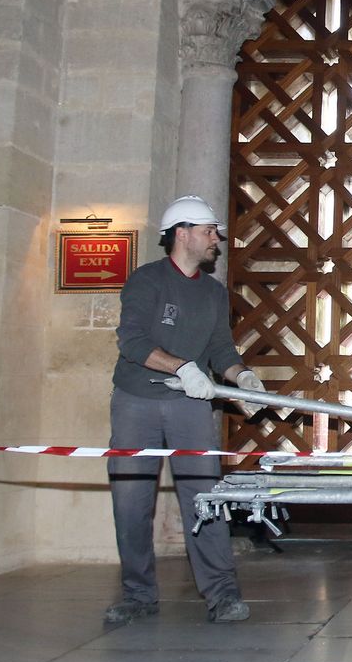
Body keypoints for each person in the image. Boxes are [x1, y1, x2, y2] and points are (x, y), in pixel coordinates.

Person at [103, 194, 264, 625]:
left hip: (189, 406)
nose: (216, 240)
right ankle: (138, 595)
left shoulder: (213, 293)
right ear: (182, 233)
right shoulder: (147, 281)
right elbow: (133, 342)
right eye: (209, 232)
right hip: (136, 402)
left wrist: (243, 377)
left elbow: (221, 349)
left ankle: (222, 595)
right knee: (131, 502)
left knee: (204, 498)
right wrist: (182, 366)